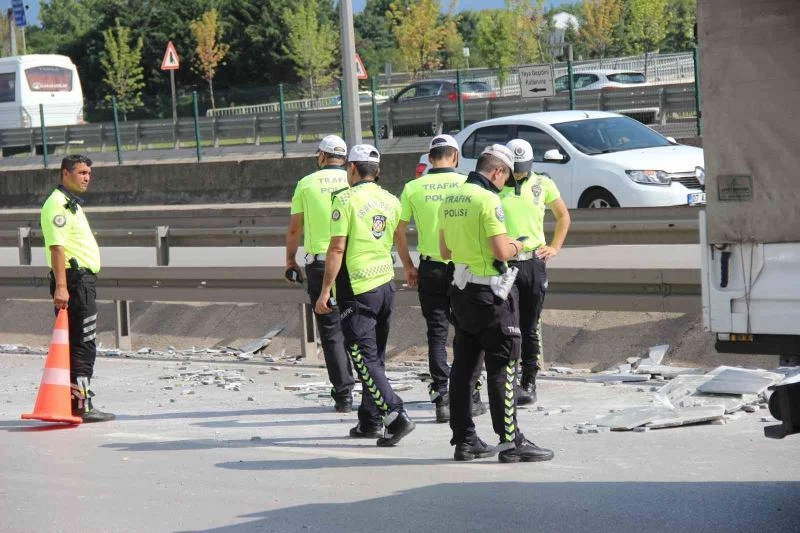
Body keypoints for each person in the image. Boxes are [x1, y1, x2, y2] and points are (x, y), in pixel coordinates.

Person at [439, 144, 553, 463]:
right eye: (505, 178)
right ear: (498, 171)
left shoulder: (451, 196)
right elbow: (502, 252)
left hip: (461, 293)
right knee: (502, 366)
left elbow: (444, 250)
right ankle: (510, 442)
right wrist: (519, 244)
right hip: (491, 295)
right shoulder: (488, 200)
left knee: (463, 369)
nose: (505, 185)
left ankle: (465, 440)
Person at [314, 144, 416, 446]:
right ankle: (370, 421)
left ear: (352, 169)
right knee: (375, 358)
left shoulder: (344, 199)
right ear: (378, 171)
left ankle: (395, 416)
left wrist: (325, 291)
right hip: (385, 285)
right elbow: (399, 238)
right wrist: (408, 266)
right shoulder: (390, 200)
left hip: (357, 290)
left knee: (363, 358)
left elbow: (336, 248)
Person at [395, 134, 485, 423]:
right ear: (455, 157)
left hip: (430, 268)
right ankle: (471, 396)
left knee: (436, 333)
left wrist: (408, 265)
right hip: (463, 268)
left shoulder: (413, 187)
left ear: (430, 157)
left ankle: (442, 400)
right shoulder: (467, 184)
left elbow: (398, 231)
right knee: (468, 332)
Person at [40, 155, 114, 423]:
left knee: (80, 342)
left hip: (80, 280)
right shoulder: (57, 205)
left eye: (89, 173)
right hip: (74, 281)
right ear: (65, 173)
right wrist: (61, 286)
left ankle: (75, 400)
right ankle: (82, 403)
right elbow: (57, 248)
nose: (87, 177)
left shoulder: (70, 204)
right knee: (83, 343)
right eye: (82, 172)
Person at [286, 135, 356, 413]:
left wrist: (290, 260)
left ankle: (344, 394)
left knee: (330, 330)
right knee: (359, 327)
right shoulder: (354, 182)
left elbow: (294, 230)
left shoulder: (306, 183)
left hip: (319, 264)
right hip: (352, 263)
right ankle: (374, 390)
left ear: (323, 156)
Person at [501, 139, 570, 405]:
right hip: (506, 264)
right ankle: (508, 378)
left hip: (533, 263)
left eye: (523, 167)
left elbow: (563, 216)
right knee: (508, 326)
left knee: (530, 326)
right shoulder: (496, 186)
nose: (519, 172)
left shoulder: (543, 183)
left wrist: (554, 247)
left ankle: (529, 380)